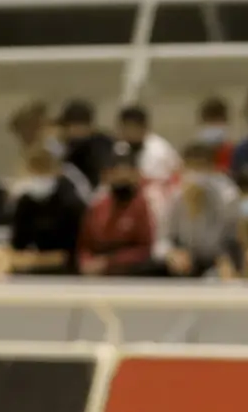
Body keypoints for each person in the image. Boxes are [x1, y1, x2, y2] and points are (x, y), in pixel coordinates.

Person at [0, 146, 88, 278]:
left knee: (1, 266)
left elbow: (70, 254)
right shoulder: (26, 202)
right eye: (34, 170)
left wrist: (24, 259)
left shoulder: (71, 204)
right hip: (29, 256)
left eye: (43, 169)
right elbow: (19, 242)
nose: (37, 176)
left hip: (62, 262)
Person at [77, 143, 158, 277]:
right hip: (96, 273)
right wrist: (87, 262)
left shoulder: (144, 205)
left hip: (131, 273)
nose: (121, 176)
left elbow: (145, 249)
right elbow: (84, 245)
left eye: (126, 171)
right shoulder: (97, 206)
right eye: (117, 171)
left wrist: (110, 262)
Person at [160, 143, 237, 278]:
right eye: (191, 167)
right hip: (184, 260)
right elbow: (161, 241)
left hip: (219, 259)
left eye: (201, 167)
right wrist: (171, 254)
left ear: (212, 169)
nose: (195, 174)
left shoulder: (227, 197)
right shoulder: (176, 196)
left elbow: (228, 241)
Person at [116, 103, 182, 185]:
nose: (127, 132)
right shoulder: (120, 147)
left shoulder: (160, 150)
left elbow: (175, 174)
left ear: (144, 127)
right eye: (124, 128)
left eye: (131, 127)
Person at [59, 99, 116, 188]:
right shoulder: (63, 146)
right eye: (73, 126)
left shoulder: (102, 144)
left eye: (80, 126)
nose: (77, 131)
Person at [193, 96, 235, 173]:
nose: (214, 125)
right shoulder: (194, 154)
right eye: (210, 121)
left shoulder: (232, 151)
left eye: (217, 120)